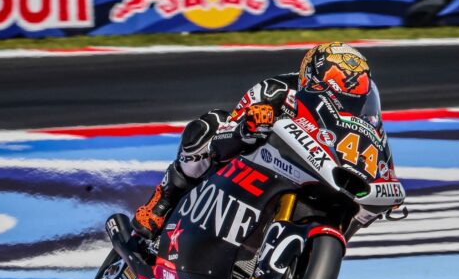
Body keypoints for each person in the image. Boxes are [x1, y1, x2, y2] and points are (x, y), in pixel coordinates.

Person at [132, 42, 373, 239]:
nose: (342, 106)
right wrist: (247, 128)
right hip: (251, 168)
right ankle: (162, 202)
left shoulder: (360, 121)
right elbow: (223, 138)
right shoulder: (274, 90)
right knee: (209, 125)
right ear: (311, 80)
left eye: (353, 101)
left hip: (312, 177)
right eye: (337, 97)